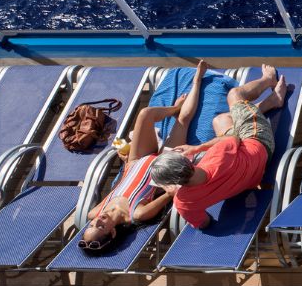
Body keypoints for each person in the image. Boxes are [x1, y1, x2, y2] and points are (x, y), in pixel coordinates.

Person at [80, 60, 209, 253]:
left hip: (135, 162)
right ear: (113, 233)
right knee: (183, 120)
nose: (97, 220)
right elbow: (170, 194)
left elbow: (119, 187)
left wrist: (125, 165)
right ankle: (197, 80)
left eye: (91, 226)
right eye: (100, 227)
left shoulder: (93, 212)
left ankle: (174, 108)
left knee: (145, 114)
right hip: (161, 166)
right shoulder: (137, 214)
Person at [149, 64, 287, 229]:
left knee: (220, 120)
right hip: (260, 142)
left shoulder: (183, 202)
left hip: (249, 179)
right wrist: (197, 148)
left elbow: (203, 223)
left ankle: (270, 102)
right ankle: (268, 80)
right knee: (234, 95)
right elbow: (234, 137)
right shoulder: (218, 156)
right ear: (184, 159)